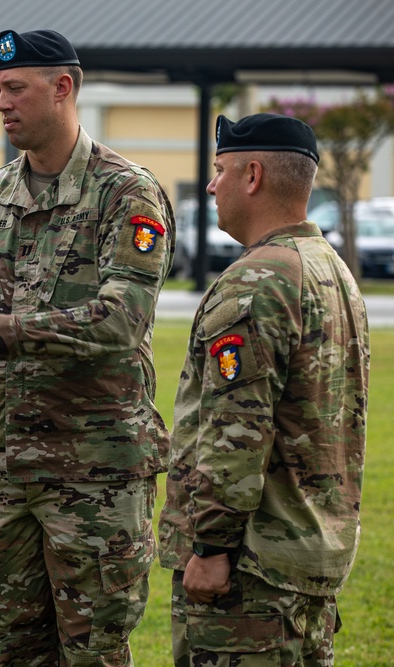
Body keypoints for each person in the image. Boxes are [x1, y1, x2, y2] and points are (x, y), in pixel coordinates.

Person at [0, 29, 175, 666]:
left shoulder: (127, 194)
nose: (2, 103)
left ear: (62, 88)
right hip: (3, 469)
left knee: (93, 651)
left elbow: (124, 319)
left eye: (15, 89)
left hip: (94, 471)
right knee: (10, 649)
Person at [157, 113, 370, 666]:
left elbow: (236, 431)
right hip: (308, 555)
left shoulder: (258, 279)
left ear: (252, 175)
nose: (210, 186)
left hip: (251, 568)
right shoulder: (331, 269)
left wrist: (210, 547)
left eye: (219, 170)